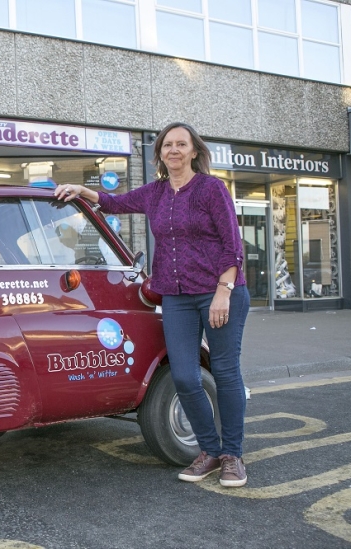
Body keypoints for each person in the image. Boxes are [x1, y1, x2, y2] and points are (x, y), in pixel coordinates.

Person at [54, 122, 250, 488]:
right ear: (159, 152)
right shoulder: (157, 193)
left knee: (224, 373)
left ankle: (232, 456)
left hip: (218, 292)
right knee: (185, 377)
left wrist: (224, 290)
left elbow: (232, 244)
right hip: (176, 297)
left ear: (194, 151)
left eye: (181, 144)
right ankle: (208, 450)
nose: (174, 150)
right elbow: (115, 202)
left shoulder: (211, 189)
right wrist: (82, 190)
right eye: (167, 145)